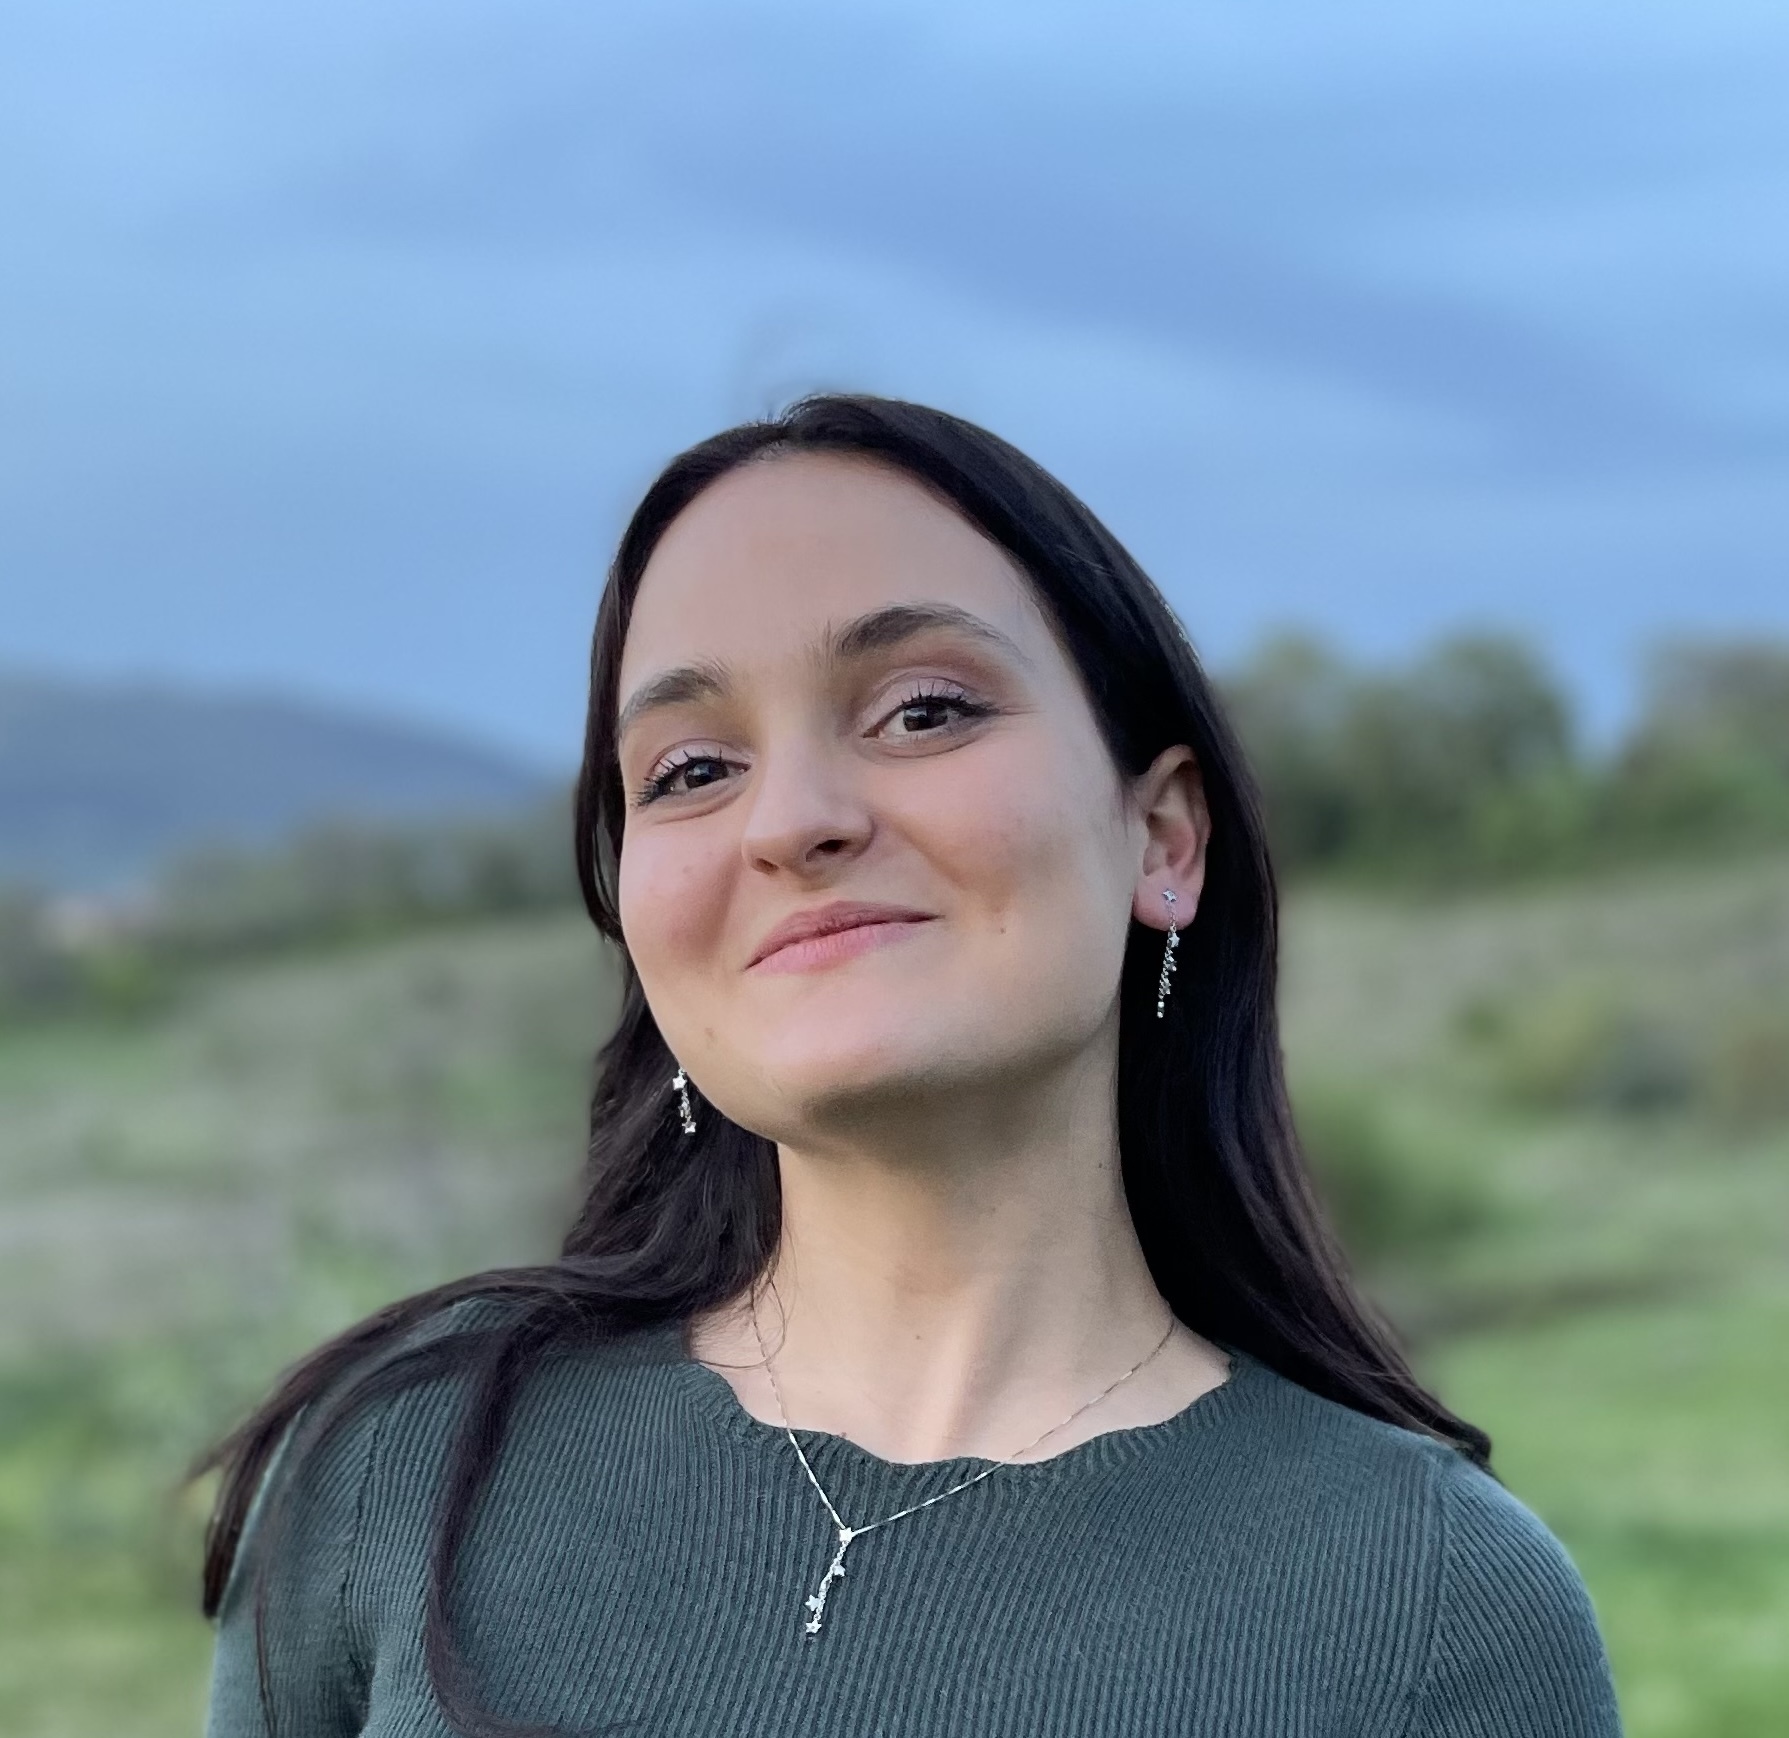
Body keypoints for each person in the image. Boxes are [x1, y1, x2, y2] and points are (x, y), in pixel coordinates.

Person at [194, 393, 1624, 1736]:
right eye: (691, 770)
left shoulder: (1430, 1608)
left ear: (1163, 837)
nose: (791, 821)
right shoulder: (407, 1465)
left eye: (924, 709)